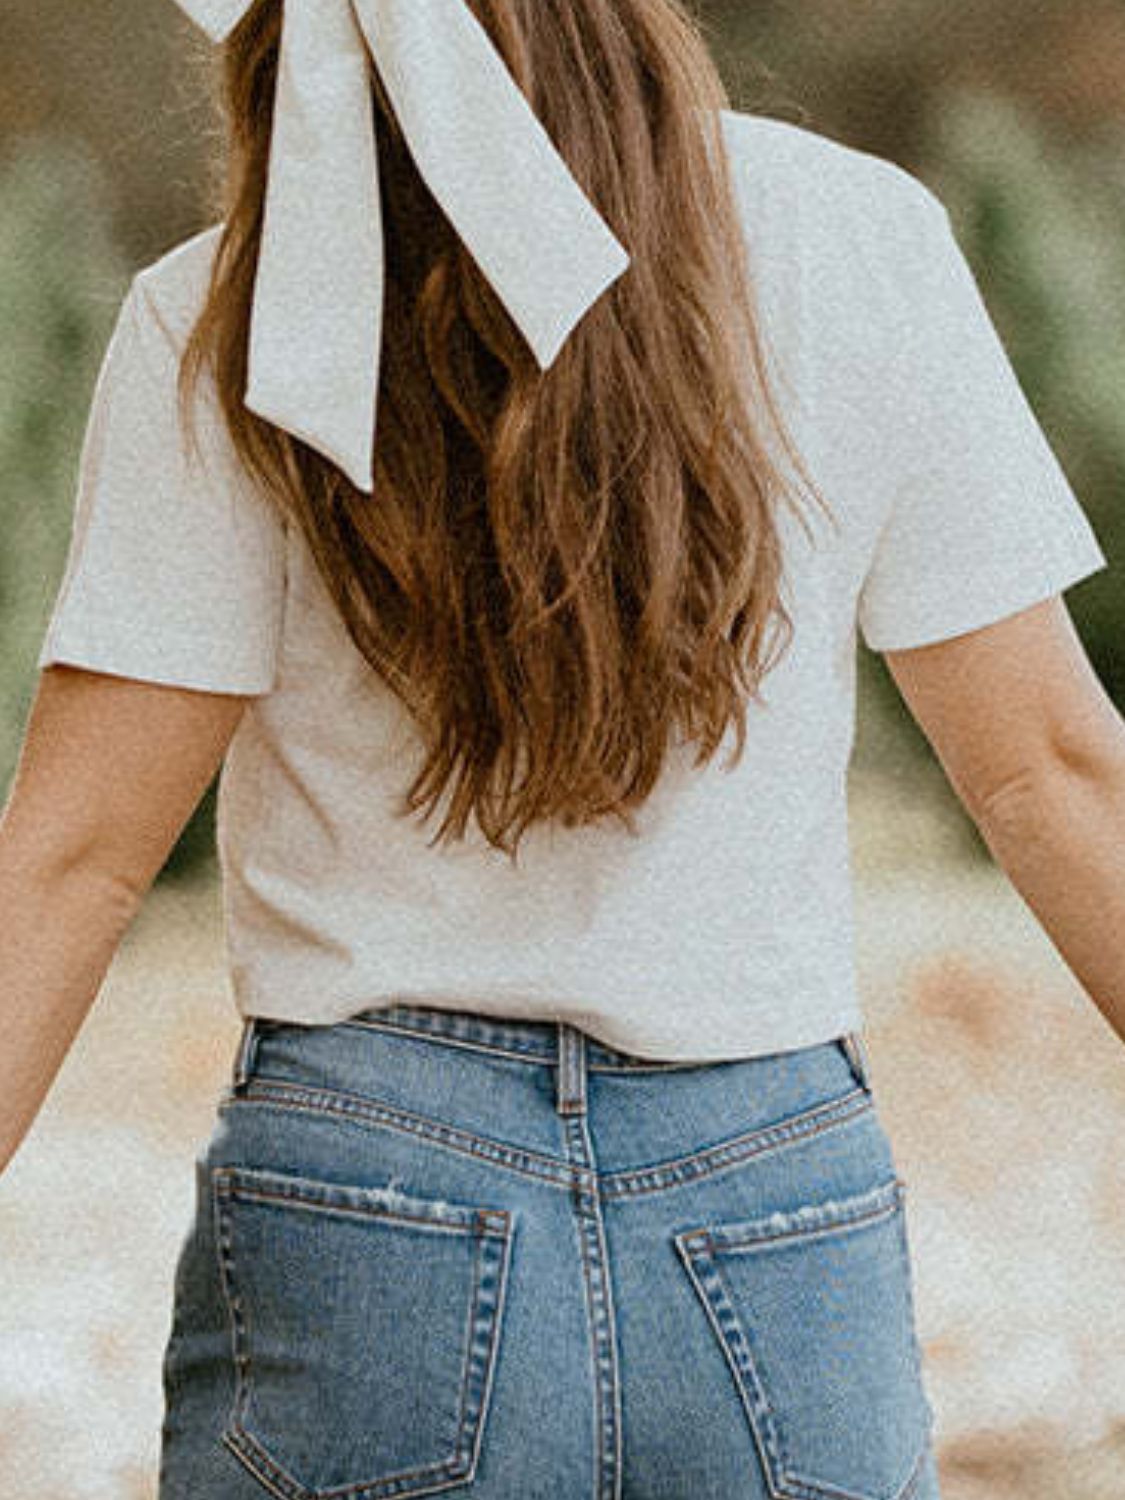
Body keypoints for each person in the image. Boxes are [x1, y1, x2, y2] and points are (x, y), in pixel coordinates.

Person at [1, 0, 1122, 1495]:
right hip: (772, 1205)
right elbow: (1049, 768)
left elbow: (73, 861)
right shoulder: (857, 236)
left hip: (369, 1207)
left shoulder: (238, 307)